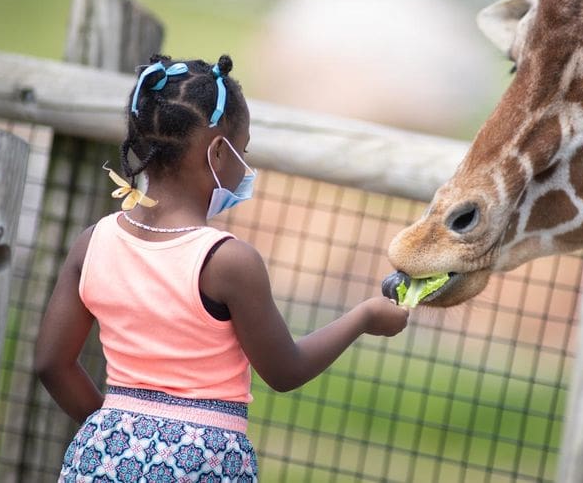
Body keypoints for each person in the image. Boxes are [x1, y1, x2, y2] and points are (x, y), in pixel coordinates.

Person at [35, 54, 409, 482]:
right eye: (242, 151)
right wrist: (363, 317)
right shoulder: (227, 261)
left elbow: (51, 362)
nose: (245, 167)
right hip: (203, 461)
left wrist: (119, 426)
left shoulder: (93, 243)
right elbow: (285, 370)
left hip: (103, 454)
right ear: (216, 152)